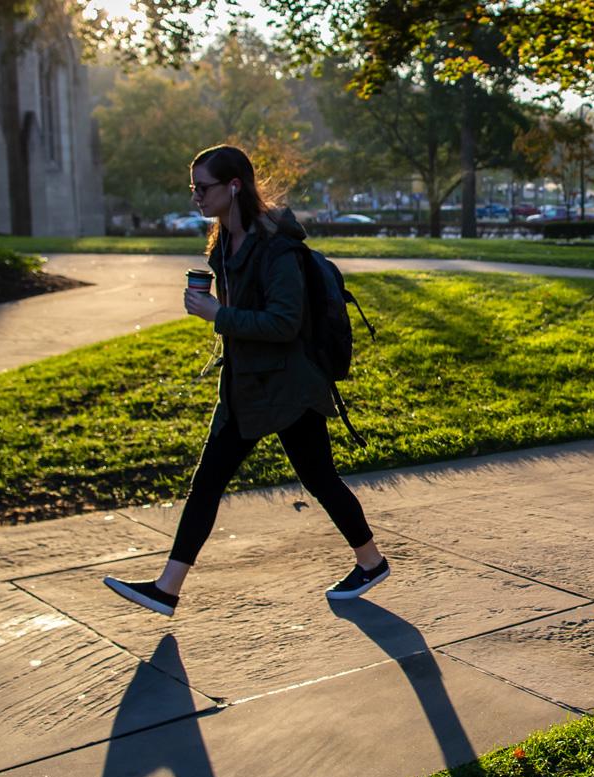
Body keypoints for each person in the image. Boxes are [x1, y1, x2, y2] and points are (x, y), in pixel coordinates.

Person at [104, 144, 389, 617]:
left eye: (204, 187)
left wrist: (220, 315)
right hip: (247, 385)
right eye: (192, 186)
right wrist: (219, 311)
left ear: (234, 186)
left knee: (318, 478)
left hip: (287, 387)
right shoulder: (223, 240)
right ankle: (167, 588)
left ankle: (371, 561)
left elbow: (284, 323)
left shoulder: (275, 248)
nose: (195, 195)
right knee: (211, 480)